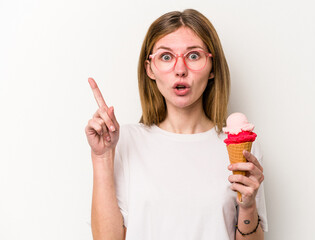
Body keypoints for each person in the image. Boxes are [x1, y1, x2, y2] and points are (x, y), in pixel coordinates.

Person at [85, 9, 268, 240]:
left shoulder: (240, 147)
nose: (180, 70)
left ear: (212, 68)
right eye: (166, 57)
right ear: (149, 69)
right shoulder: (125, 142)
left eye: (193, 56)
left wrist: (249, 206)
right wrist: (101, 157)